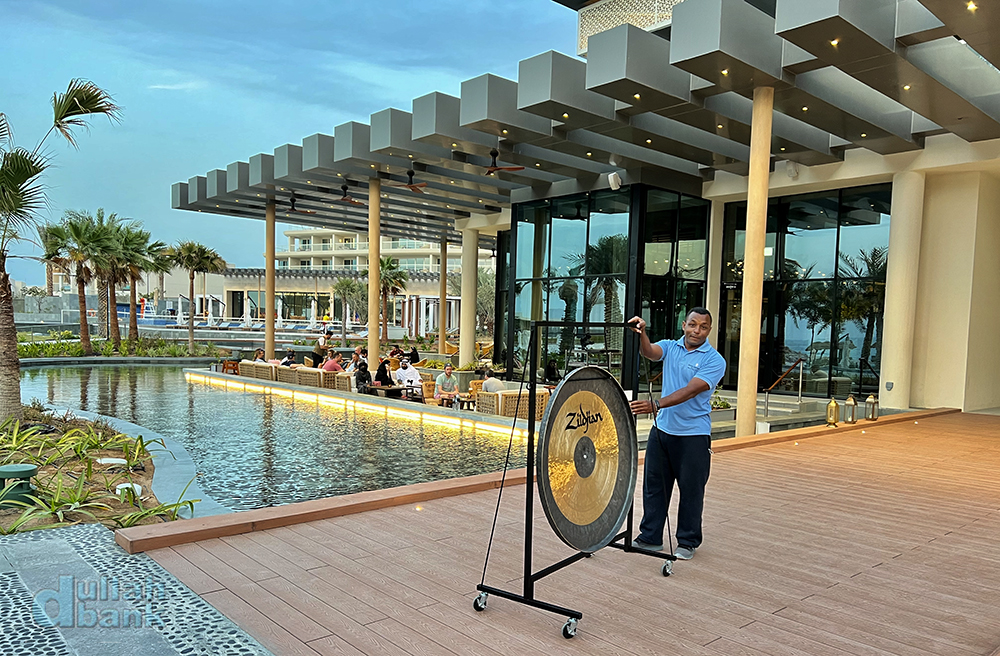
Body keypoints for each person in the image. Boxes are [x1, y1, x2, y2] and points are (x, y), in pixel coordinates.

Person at [627, 308, 726, 561]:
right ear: (684, 325)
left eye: (703, 327)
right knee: (654, 487)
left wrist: (656, 404)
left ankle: (688, 541)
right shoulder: (671, 346)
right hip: (662, 431)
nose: (697, 330)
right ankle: (650, 537)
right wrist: (642, 333)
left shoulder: (714, 360)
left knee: (691, 491)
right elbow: (649, 352)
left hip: (693, 435)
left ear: (709, 330)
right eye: (692, 324)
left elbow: (691, 390)